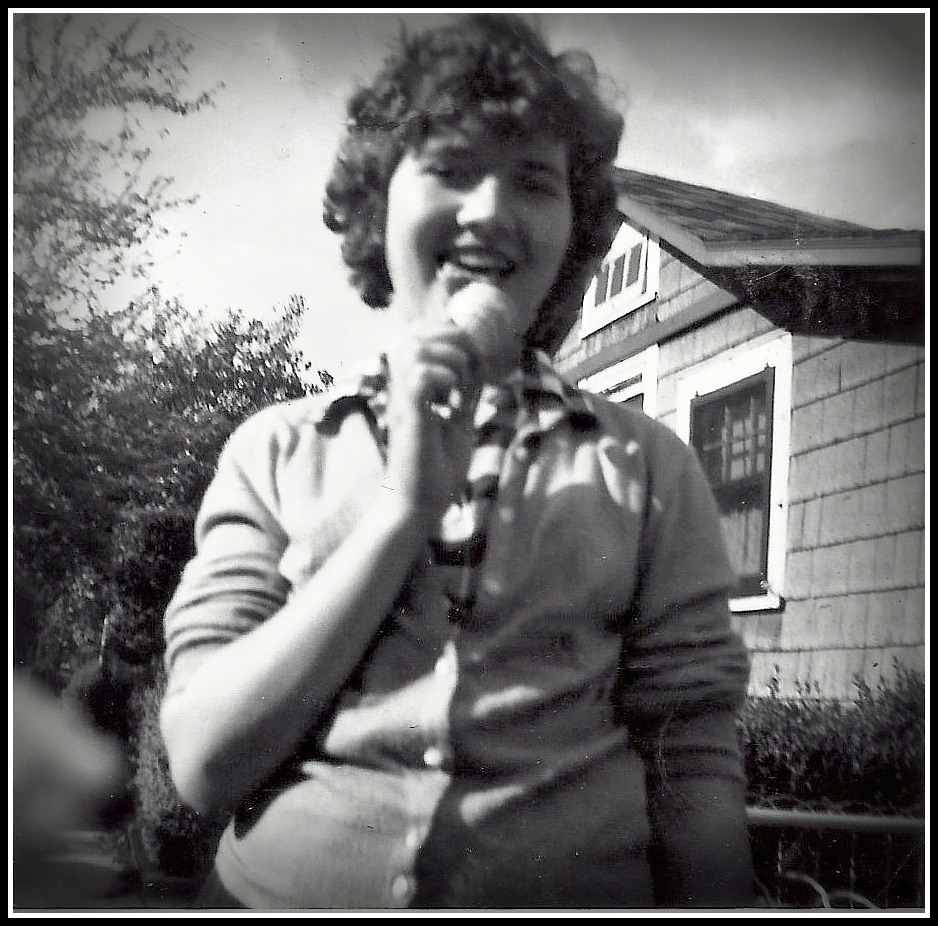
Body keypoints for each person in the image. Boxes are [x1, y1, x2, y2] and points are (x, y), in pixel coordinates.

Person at [160, 13, 756, 909]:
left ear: (573, 232)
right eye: (449, 168)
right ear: (378, 206)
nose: (490, 211)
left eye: (534, 181)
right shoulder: (276, 450)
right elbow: (204, 765)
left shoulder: (650, 470)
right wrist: (401, 511)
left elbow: (693, 760)